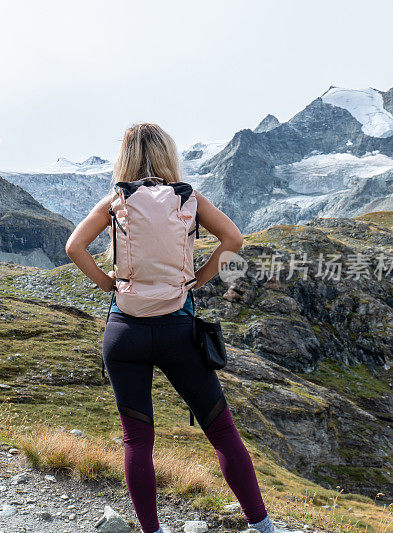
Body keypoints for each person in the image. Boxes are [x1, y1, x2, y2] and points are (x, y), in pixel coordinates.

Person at [65, 123, 276, 533]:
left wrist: (109, 283)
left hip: (124, 332)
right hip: (178, 330)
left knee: (138, 441)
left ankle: (152, 531)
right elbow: (233, 238)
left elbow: (74, 247)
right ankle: (263, 526)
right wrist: (199, 277)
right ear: (167, 155)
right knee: (221, 431)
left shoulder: (117, 199)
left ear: (125, 157)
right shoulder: (187, 197)